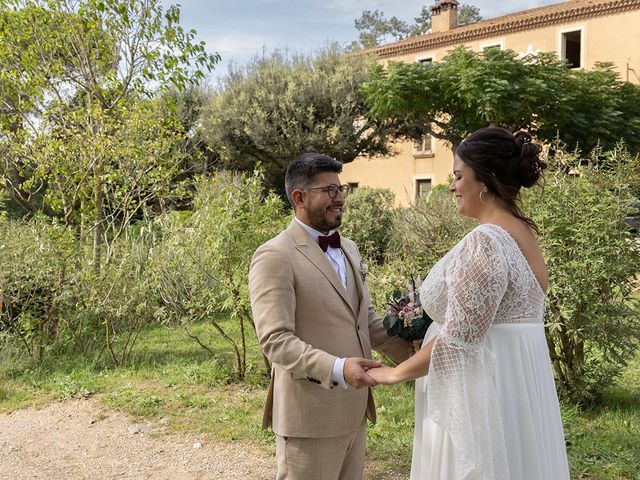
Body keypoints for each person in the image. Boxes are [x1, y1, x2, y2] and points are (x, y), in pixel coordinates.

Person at [368, 127, 570, 480]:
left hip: (481, 392)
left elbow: (459, 343)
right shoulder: (524, 233)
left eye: (459, 176)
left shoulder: (486, 242)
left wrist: (393, 374)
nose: (451, 187)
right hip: (519, 386)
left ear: (485, 181)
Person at [248, 152, 410, 480]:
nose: (339, 199)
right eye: (329, 191)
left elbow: (365, 321)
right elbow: (275, 341)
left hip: (354, 413)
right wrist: (339, 369)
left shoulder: (349, 248)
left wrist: (417, 352)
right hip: (310, 417)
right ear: (299, 197)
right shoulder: (274, 256)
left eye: (341, 189)